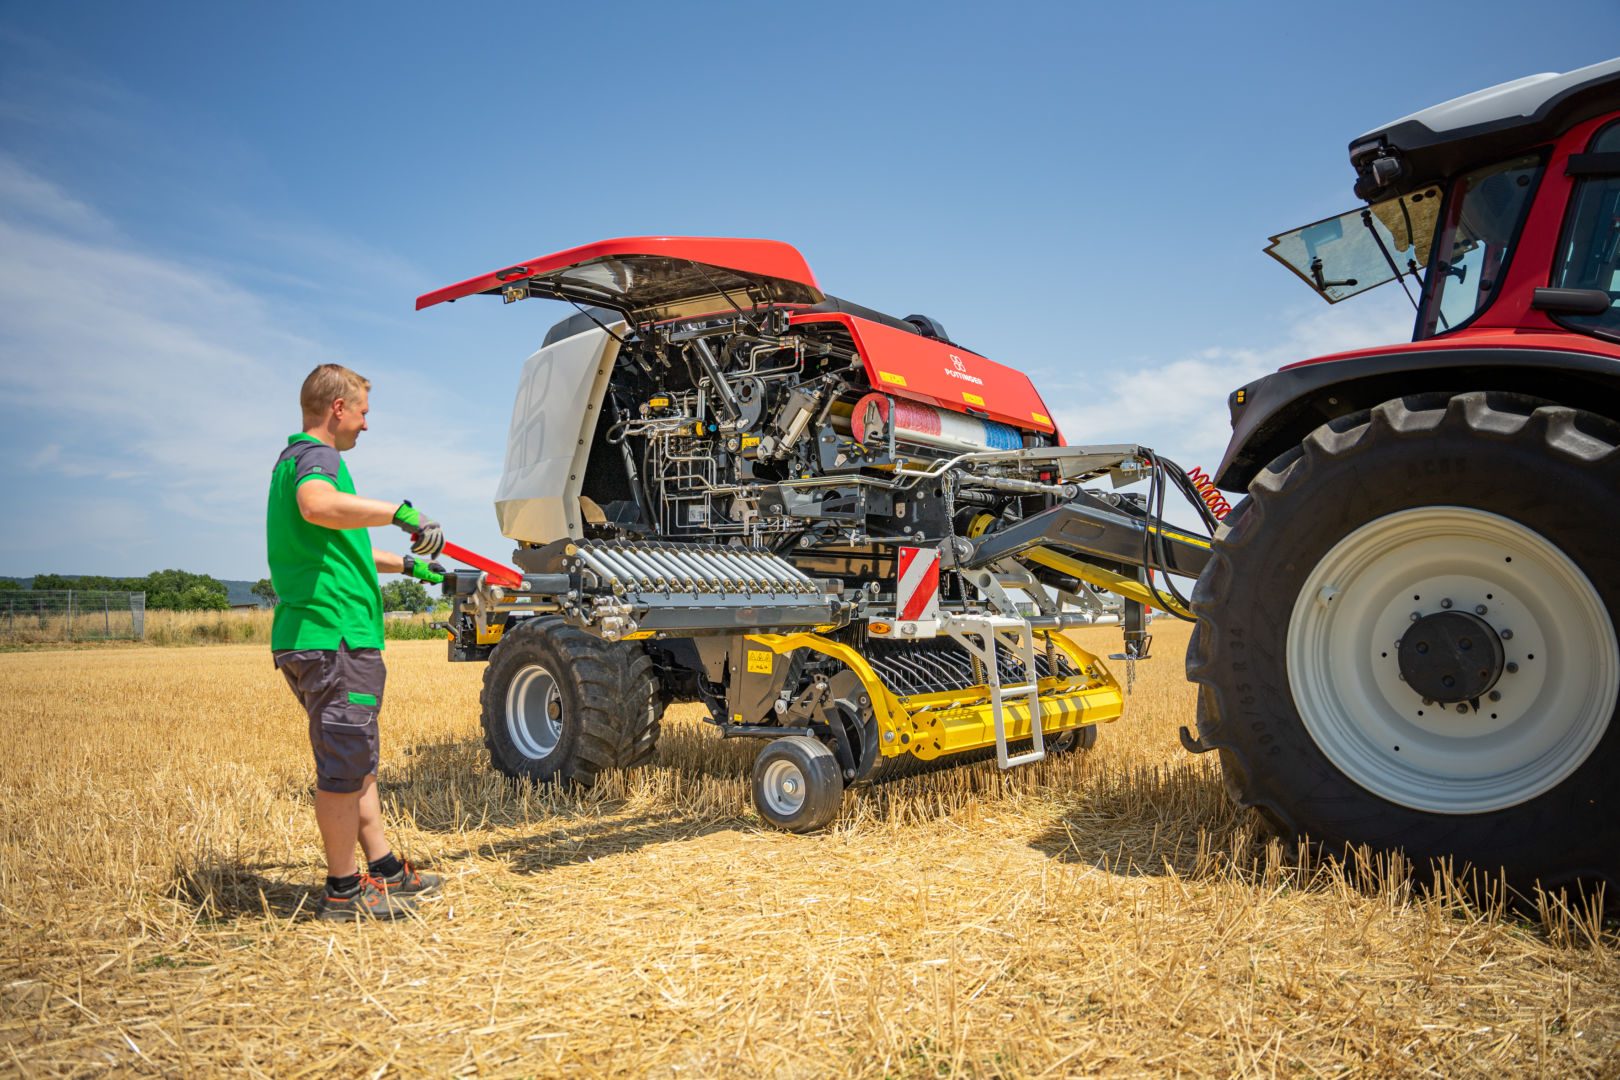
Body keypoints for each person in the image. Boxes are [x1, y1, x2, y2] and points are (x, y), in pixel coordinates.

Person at [266, 363, 447, 921]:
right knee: (345, 768)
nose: (367, 425)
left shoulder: (294, 461)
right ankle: (344, 891)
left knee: (357, 760)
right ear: (337, 408)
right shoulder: (318, 461)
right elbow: (317, 506)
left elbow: (345, 551)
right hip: (334, 636)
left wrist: (412, 567)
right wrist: (398, 512)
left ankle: (384, 867)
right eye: (363, 412)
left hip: (318, 634)